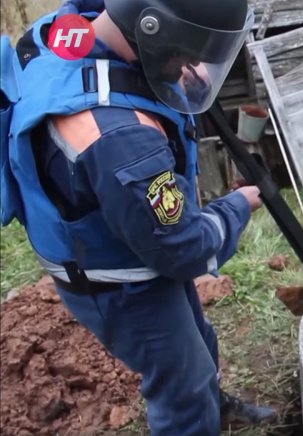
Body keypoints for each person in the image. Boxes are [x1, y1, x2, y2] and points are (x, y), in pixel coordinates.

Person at [0, 0, 277, 434]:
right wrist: (237, 207)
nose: (193, 65)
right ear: (152, 30)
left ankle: (216, 407)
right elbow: (182, 249)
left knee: (199, 341)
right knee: (181, 383)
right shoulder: (121, 139)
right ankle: (195, 417)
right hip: (119, 282)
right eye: (188, 52)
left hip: (127, 237)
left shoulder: (76, 29)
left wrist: (179, 53)